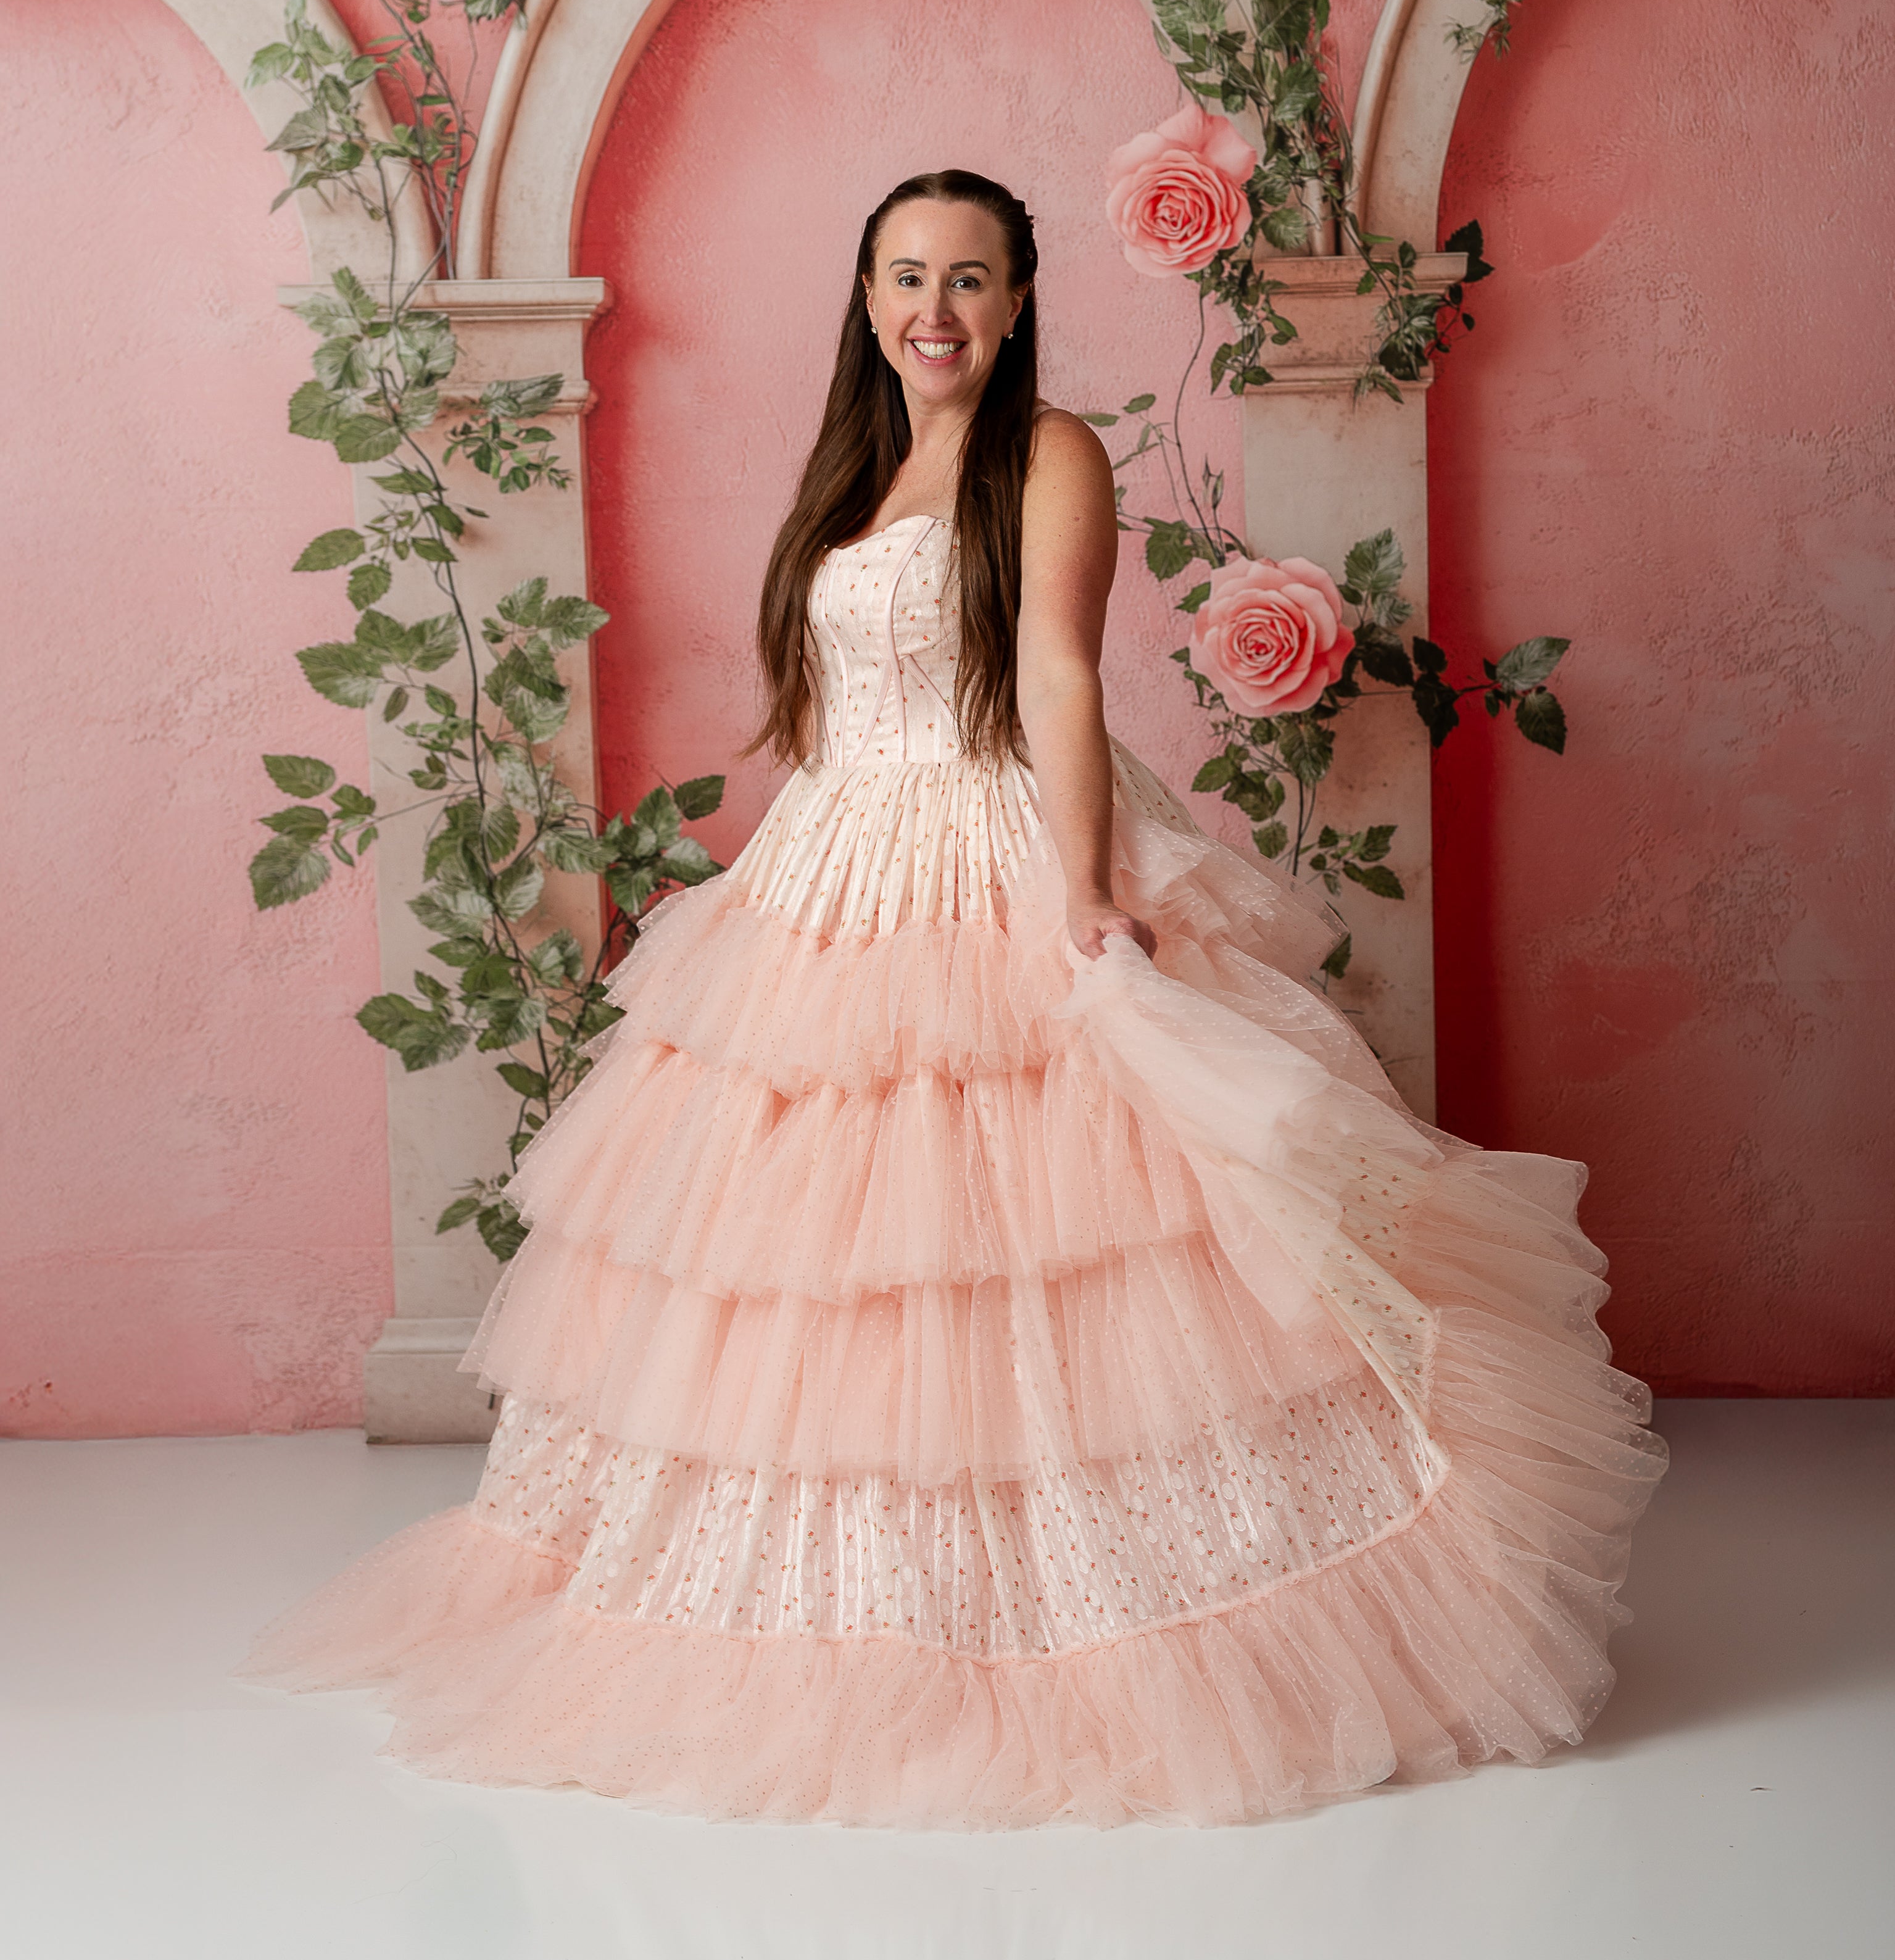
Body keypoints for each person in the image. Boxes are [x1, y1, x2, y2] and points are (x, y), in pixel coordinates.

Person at [238, 165, 1667, 1826]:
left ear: (1018, 299)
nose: (937, 310)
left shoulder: (1046, 455)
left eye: (971, 279)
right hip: (836, 855)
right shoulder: (857, 468)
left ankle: (1073, 1611)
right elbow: (832, 696)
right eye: (908, 277)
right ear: (866, 299)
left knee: (1042, 1222)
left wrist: (1084, 886)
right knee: (818, 1247)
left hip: (992, 830)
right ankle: (837, 1598)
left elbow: (1057, 672)